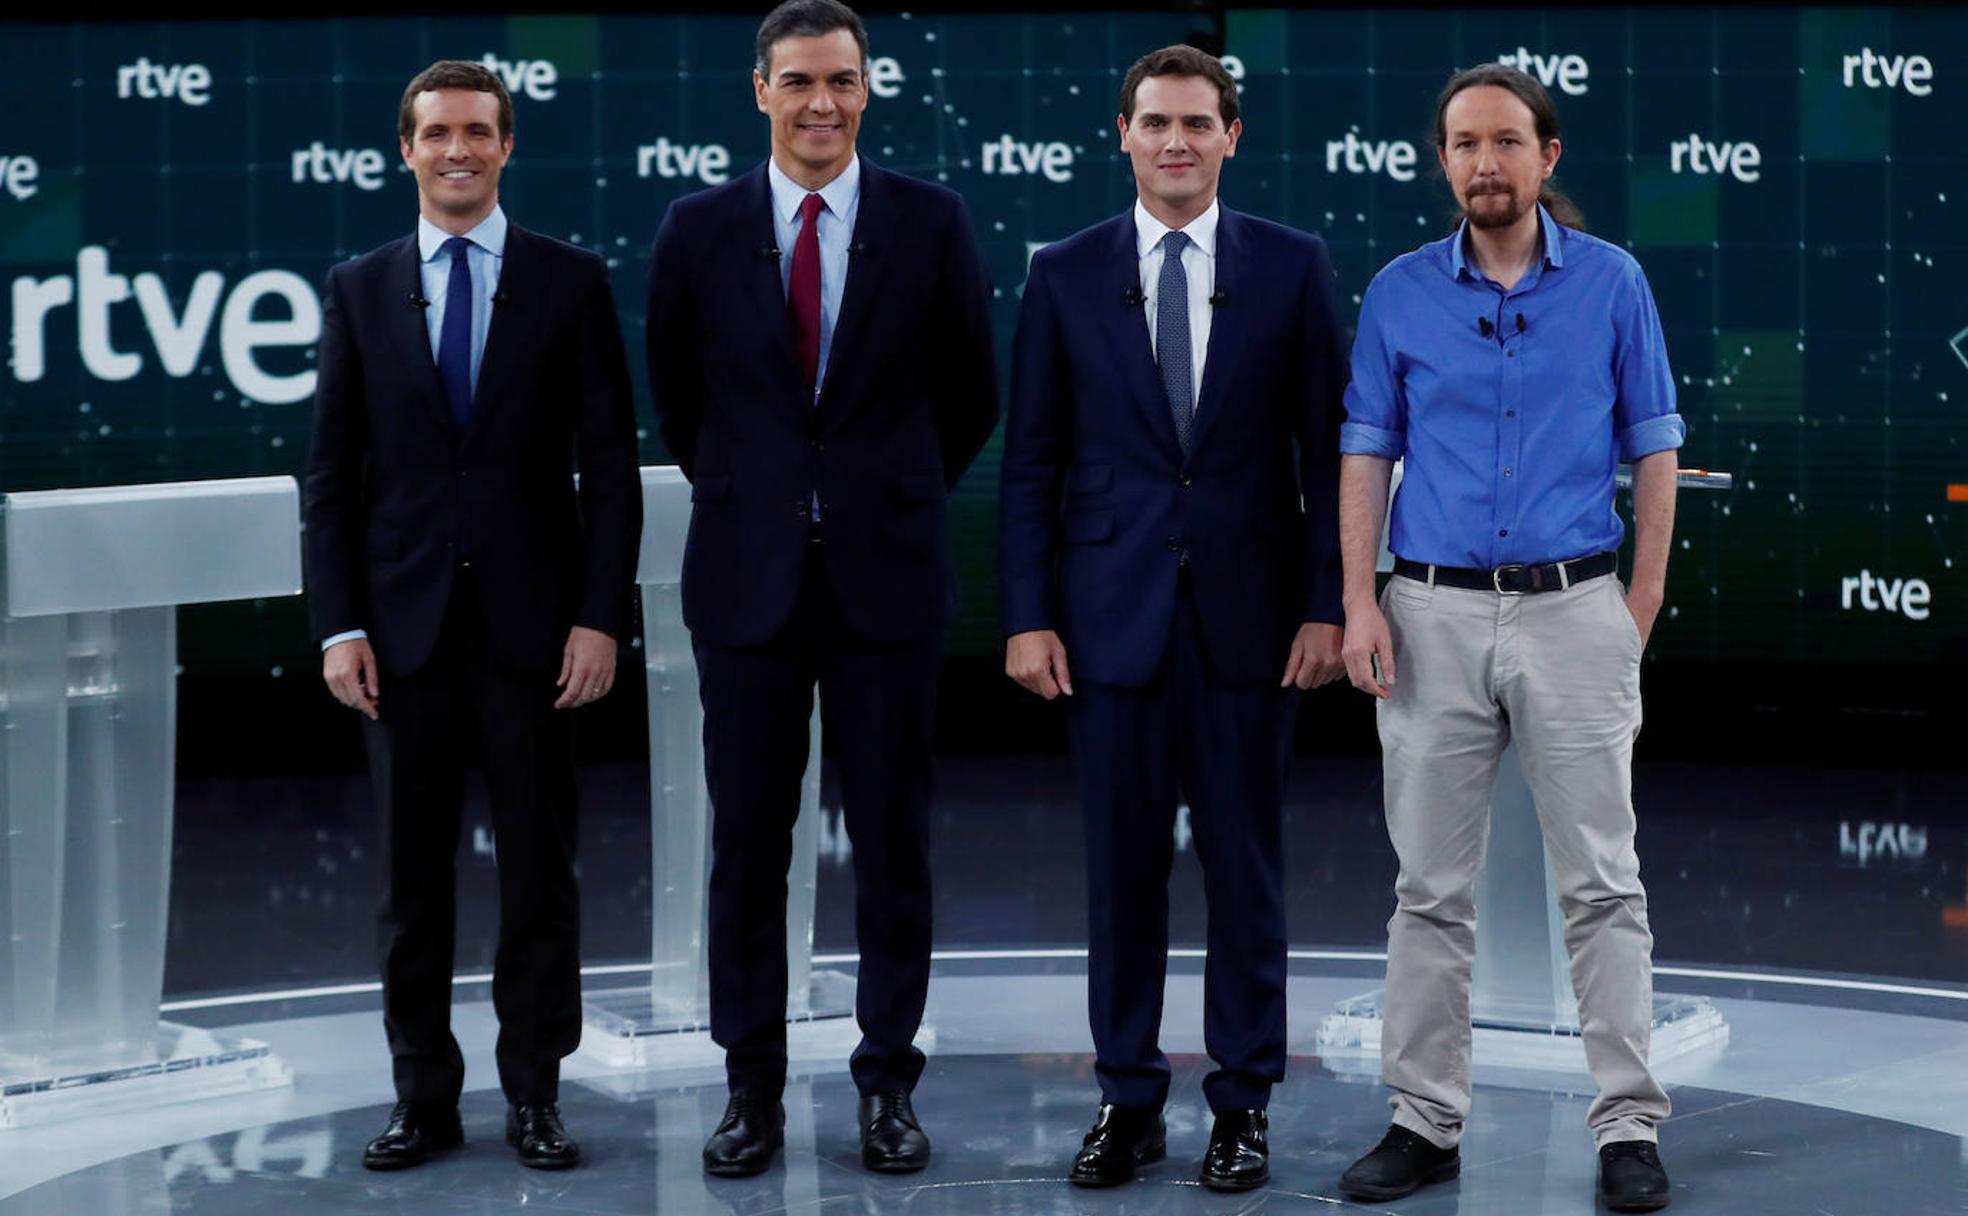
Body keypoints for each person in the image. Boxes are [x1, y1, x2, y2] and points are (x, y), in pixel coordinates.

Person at [644, 0, 998, 1178]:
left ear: (865, 89)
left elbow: (969, 395)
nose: (822, 104)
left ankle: (887, 1086)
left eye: (842, 81)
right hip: (745, 586)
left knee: (893, 840)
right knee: (747, 840)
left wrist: (879, 492)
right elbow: (684, 403)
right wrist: (768, 495)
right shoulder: (696, 230)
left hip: (886, 580)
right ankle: (748, 1089)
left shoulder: (931, 222)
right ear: (761, 92)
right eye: (799, 82)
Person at [1333, 63, 1682, 1213]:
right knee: (1429, 888)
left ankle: (1629, 1124)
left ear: (1548, 156)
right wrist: (1361, 598)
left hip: (1576, 608)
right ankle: (1422, 1121)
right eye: (1465, 144)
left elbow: (1654, 444)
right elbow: (1367, 452)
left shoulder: (1616, 284)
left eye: (1507, 143)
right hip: (1428, 608)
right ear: (1444, 160)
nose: (1486, 163)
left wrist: (1636, 603)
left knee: (1603, 883)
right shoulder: (1398, 292)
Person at [999, 43, 1347, 1194]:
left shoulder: (1294, 268)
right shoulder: (1062, 271)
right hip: (1107, 622)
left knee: (1246, 871)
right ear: (1125, 134)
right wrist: (1029, 615)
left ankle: (1241, 1106)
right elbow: (1032, 461)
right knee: (1121, 874)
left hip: (1252, 624)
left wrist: (1327, 605)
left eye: (1199, 122)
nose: (1178, 142)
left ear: (1231, 136)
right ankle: (1126, 1099)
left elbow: (1334, 453)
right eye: (1156, 122)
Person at [304, 59, 641, 1173]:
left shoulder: (570, 282)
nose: (458, 149)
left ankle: (536, 1095)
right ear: (406, 149)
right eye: (438, 132)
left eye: (478, 132)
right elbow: (331, 479)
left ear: (506, 147)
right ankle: (422, 1100)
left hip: (536, 637)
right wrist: (337, 624)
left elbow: (610, 469)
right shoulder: (358, 287)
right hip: (397, 641)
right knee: (412, 884)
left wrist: (599, 620)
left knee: (542, 876)